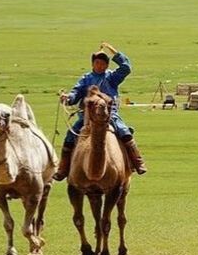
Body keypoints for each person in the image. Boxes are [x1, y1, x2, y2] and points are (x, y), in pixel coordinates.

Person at [53, 42, 146, 181]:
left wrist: (113, 51)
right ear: (92, 64)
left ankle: (137, 162)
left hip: (109, 115)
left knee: (124, 131)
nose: (100, 65)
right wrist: (68, 98)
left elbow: (126, 67)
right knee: (70, 136)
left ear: (107, 65)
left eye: (103, 63)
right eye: (97, 62)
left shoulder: (112, 78)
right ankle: (63, 168)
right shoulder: (86, 79)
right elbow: (76, 92)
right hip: (87, 116)